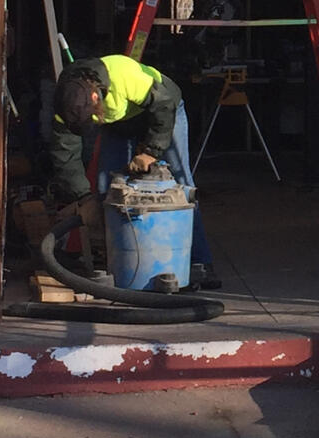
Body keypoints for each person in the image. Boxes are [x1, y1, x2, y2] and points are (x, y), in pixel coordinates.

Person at [49, 53, 218, 289]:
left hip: (164, 110)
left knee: (181, 186)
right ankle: (116, 262)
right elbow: (65, 152)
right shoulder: (65, 104)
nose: (92, 124)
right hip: (120, 123)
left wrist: (151, 151)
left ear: (95, 97)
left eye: (92, 118)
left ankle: (200, 263)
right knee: (106, 188)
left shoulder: (123, 76)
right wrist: (83, 197)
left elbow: (164, 103)